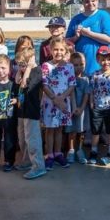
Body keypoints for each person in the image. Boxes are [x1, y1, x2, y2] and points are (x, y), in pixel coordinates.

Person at [41, 38, 76, 170]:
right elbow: (44, 85)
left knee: (60, 129)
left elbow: (72, 85)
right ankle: (49, 155)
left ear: (65, 51)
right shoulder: (46, 66)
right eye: (55, 49)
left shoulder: (69, 66)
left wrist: (62, 98)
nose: (58, 52)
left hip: (64, 102)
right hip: (50, 103)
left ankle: (58, 153)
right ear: (50, 50)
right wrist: (54, 98)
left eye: (61, 49)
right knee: (50, 129)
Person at [66, 0, 110, 76]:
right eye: (87, 1)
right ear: (82, 2)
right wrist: (76, 37)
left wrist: (89, 34)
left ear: (97, 1)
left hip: (100, 68)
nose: (90, 3)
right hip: (79, 70)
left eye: (93, 1)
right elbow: (66, 43)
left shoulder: (104, 16)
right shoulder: (75, 19)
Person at [14, 47, 47, 179]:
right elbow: (17, 80)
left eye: (23, 64)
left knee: (32, 140)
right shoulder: (22, 72)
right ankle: (27, 160)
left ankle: (39, 166)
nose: (21, 67)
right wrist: (21, 69)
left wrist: (28, 67)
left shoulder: (37, 71)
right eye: (19, 64)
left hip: (31, 112)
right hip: (22, 111)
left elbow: (24, 85)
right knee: (22, 138)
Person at [66, 52, 92, 164]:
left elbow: (87, 94)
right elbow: (69, 92)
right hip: (71, 108)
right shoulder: (69, 77)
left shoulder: (86, 78)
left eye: (81, 64)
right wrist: (74, 107)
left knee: (81, 131)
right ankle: (71, 150)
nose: (79, 67)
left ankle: (80, 150)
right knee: (72, 130)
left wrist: (81, 108)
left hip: (82, 109)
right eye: (75, 65)